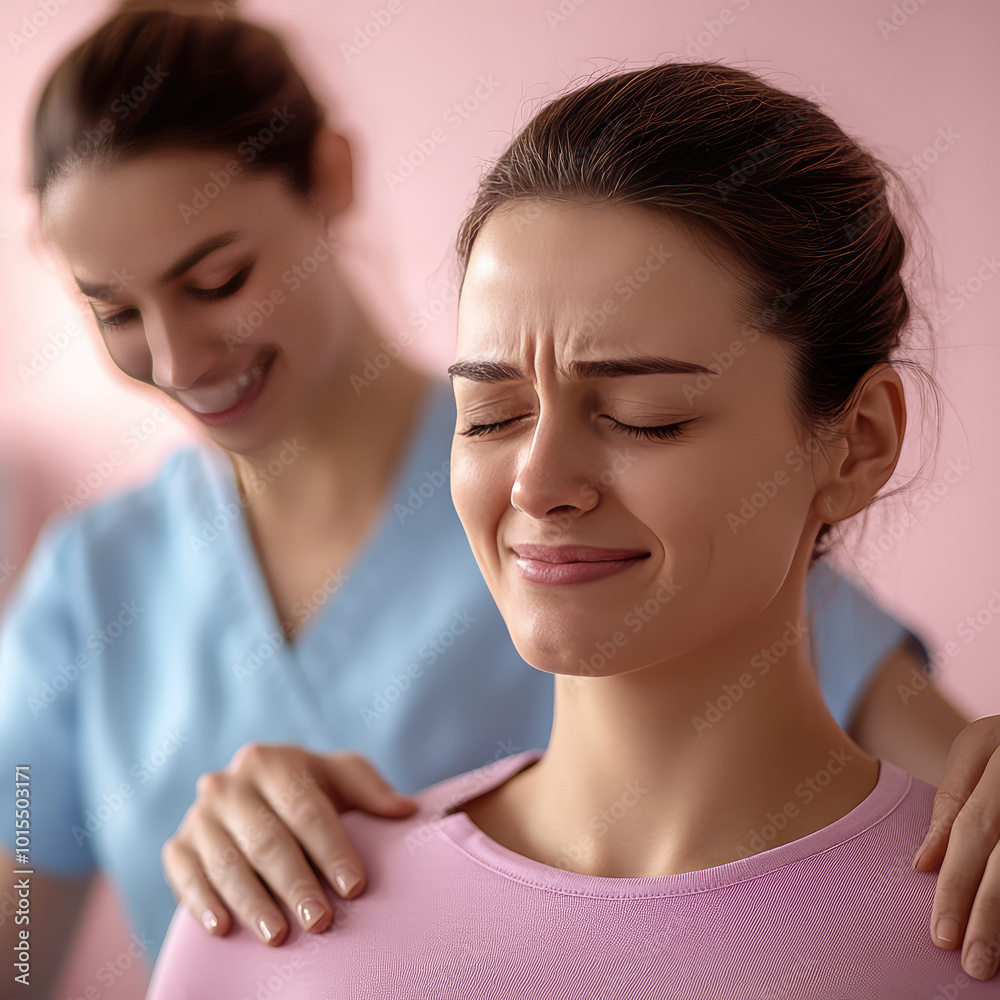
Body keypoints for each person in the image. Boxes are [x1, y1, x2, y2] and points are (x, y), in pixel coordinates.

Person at [0, 0, 994, 989]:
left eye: (216, 278)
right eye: (115, 308)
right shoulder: (94, 582)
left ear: (331, 179)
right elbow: (18, 952)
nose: (176, 356)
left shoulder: (709, 529)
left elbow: (945, 782)